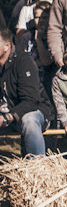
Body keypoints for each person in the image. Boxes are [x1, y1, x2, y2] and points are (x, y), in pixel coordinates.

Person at [0, 27, 52, 156]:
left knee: (29, 120)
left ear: (7, 46)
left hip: (36, 111)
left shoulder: (24, 62)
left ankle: (37, 167)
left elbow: (31, 101)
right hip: (7, 112)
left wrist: (6, 118)